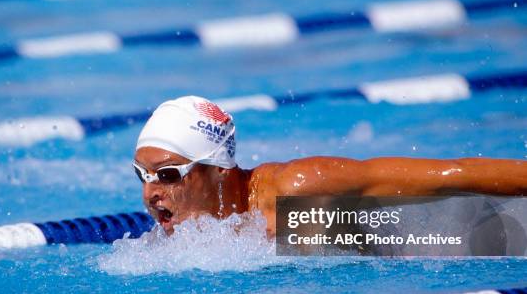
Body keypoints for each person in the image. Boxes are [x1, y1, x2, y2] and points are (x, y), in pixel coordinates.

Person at [133, 96, 526, 236]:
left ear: (219, 168)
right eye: (143, 176)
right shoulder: (185, 238)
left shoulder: (296, 189)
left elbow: (450, 175)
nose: (151, 194)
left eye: (168, 175)